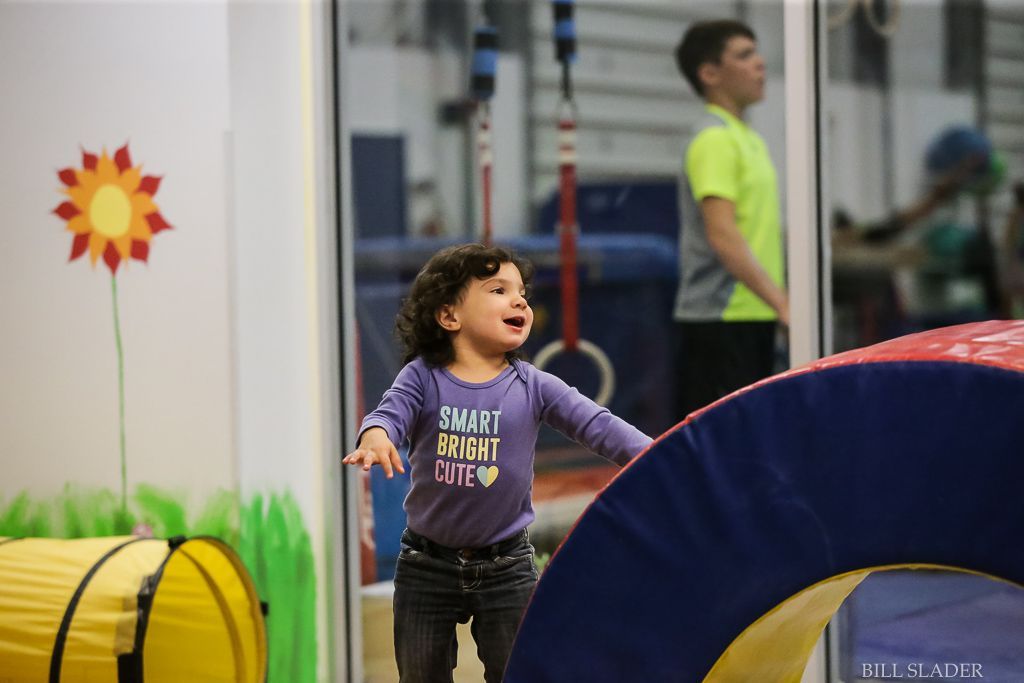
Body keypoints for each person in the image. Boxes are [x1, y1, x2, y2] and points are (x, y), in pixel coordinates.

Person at [342, 243, 651, 682]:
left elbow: (598, 426)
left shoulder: (534, 386)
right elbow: (389, 413)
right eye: (498, 290)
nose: (519, 299)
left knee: (519, 671)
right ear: (449, 316)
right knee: (420, 674)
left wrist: (657, 455)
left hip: (507, 565)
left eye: (521, 291)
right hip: (426, 566)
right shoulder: (422, 377)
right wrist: (376, 437)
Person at [672, 19, 787, 419]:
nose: (760, 64)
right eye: (744, 55)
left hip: (753, 313)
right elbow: (722, 235)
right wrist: (783, 303)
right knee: (717, 451)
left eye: (757, 52)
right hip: (721, 318)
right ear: (709, 74)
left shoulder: (748, 138)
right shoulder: (714, 139)